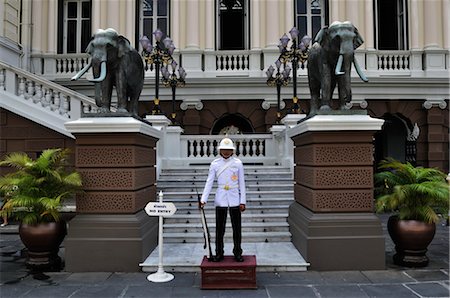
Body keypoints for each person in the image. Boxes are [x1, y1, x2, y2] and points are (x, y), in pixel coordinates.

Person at [200, 137, 246, 262]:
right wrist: (204, 199)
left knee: (237, 229)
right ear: (220, 150)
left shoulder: (238, 163)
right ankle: (219, 252)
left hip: (235, 197)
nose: (226, 152)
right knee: (220, 229)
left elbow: (242, 183)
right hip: (221, 198)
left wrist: (243, 201)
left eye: (229, 150)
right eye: (224, 149)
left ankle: (237, 252)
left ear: (232, 151)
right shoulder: (215, 164)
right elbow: (209, 182)